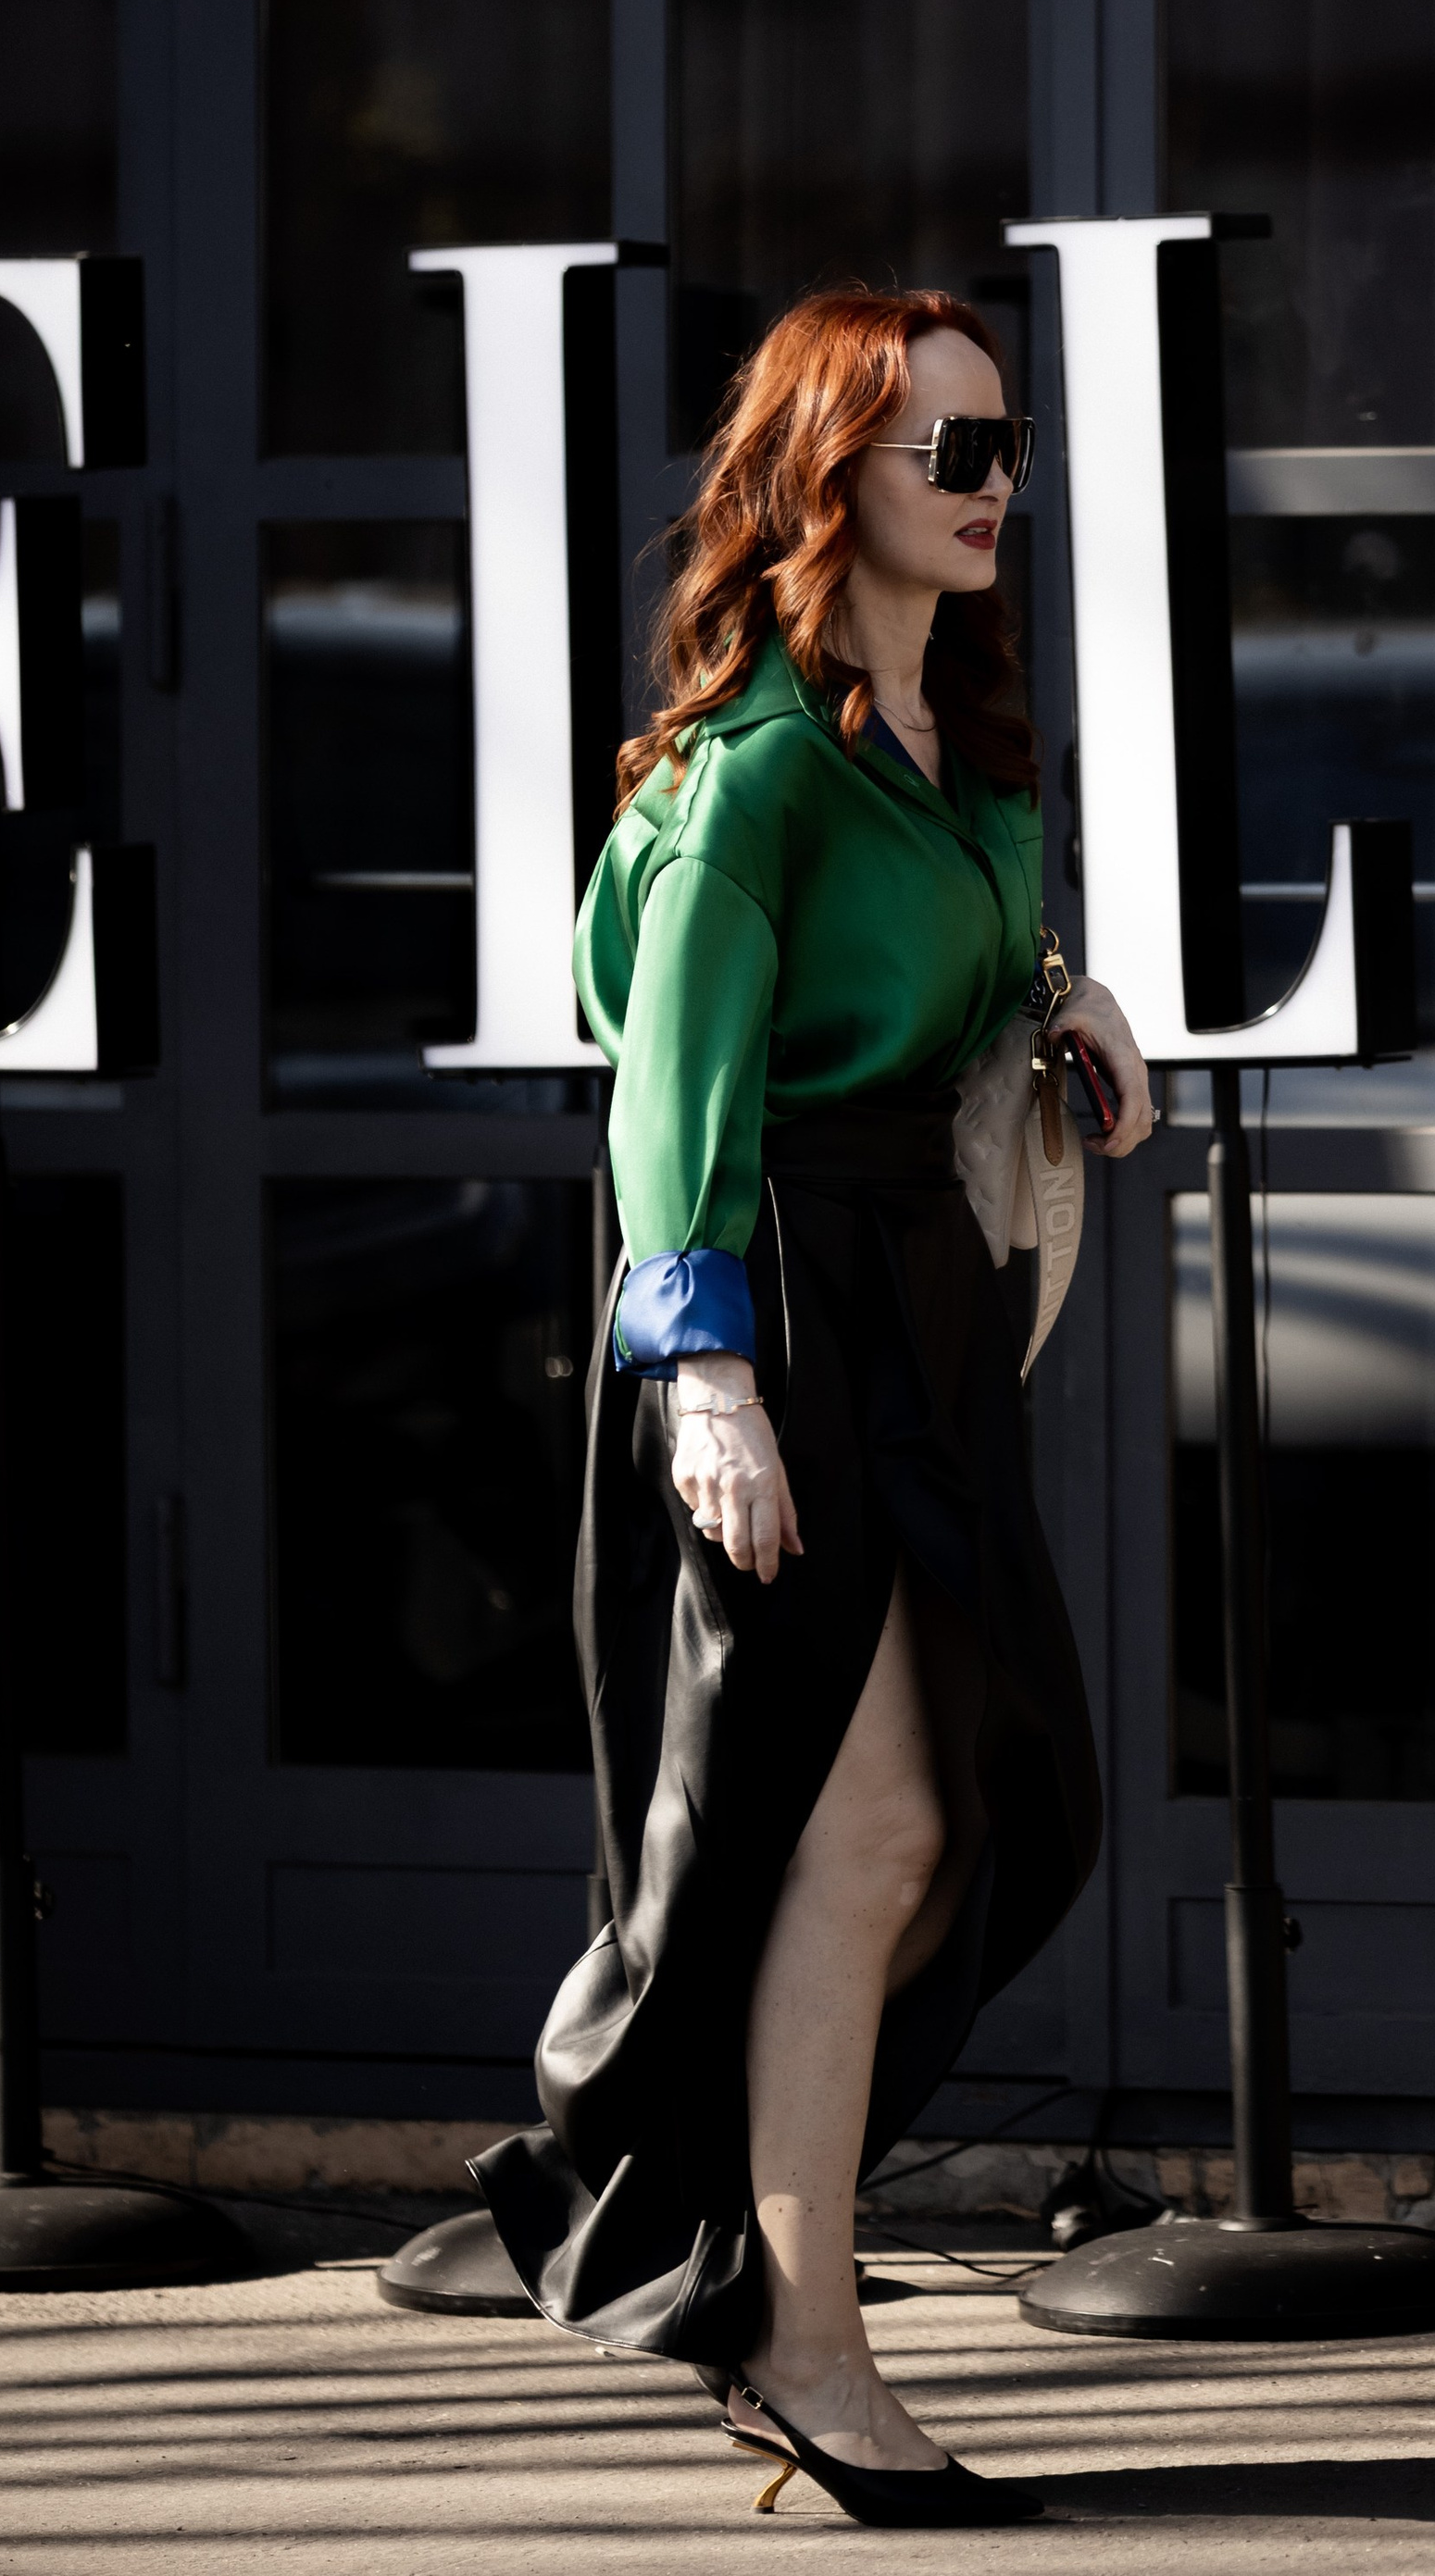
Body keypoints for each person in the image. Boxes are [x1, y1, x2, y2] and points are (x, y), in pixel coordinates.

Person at [473, 286, 1155, 2528]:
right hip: (775, 1302)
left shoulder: (960, 735)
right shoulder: (747, 771)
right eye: (946, 452)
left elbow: (923, 967)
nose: (992, 488)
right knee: (856, 1832)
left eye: (1003, 446)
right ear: (821, 480)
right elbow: (666, 1084)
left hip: (918, 1308)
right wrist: (706, 1380)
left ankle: (765, 2289)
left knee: (974, 1815)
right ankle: (800, 2338)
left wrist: (1059, 996)